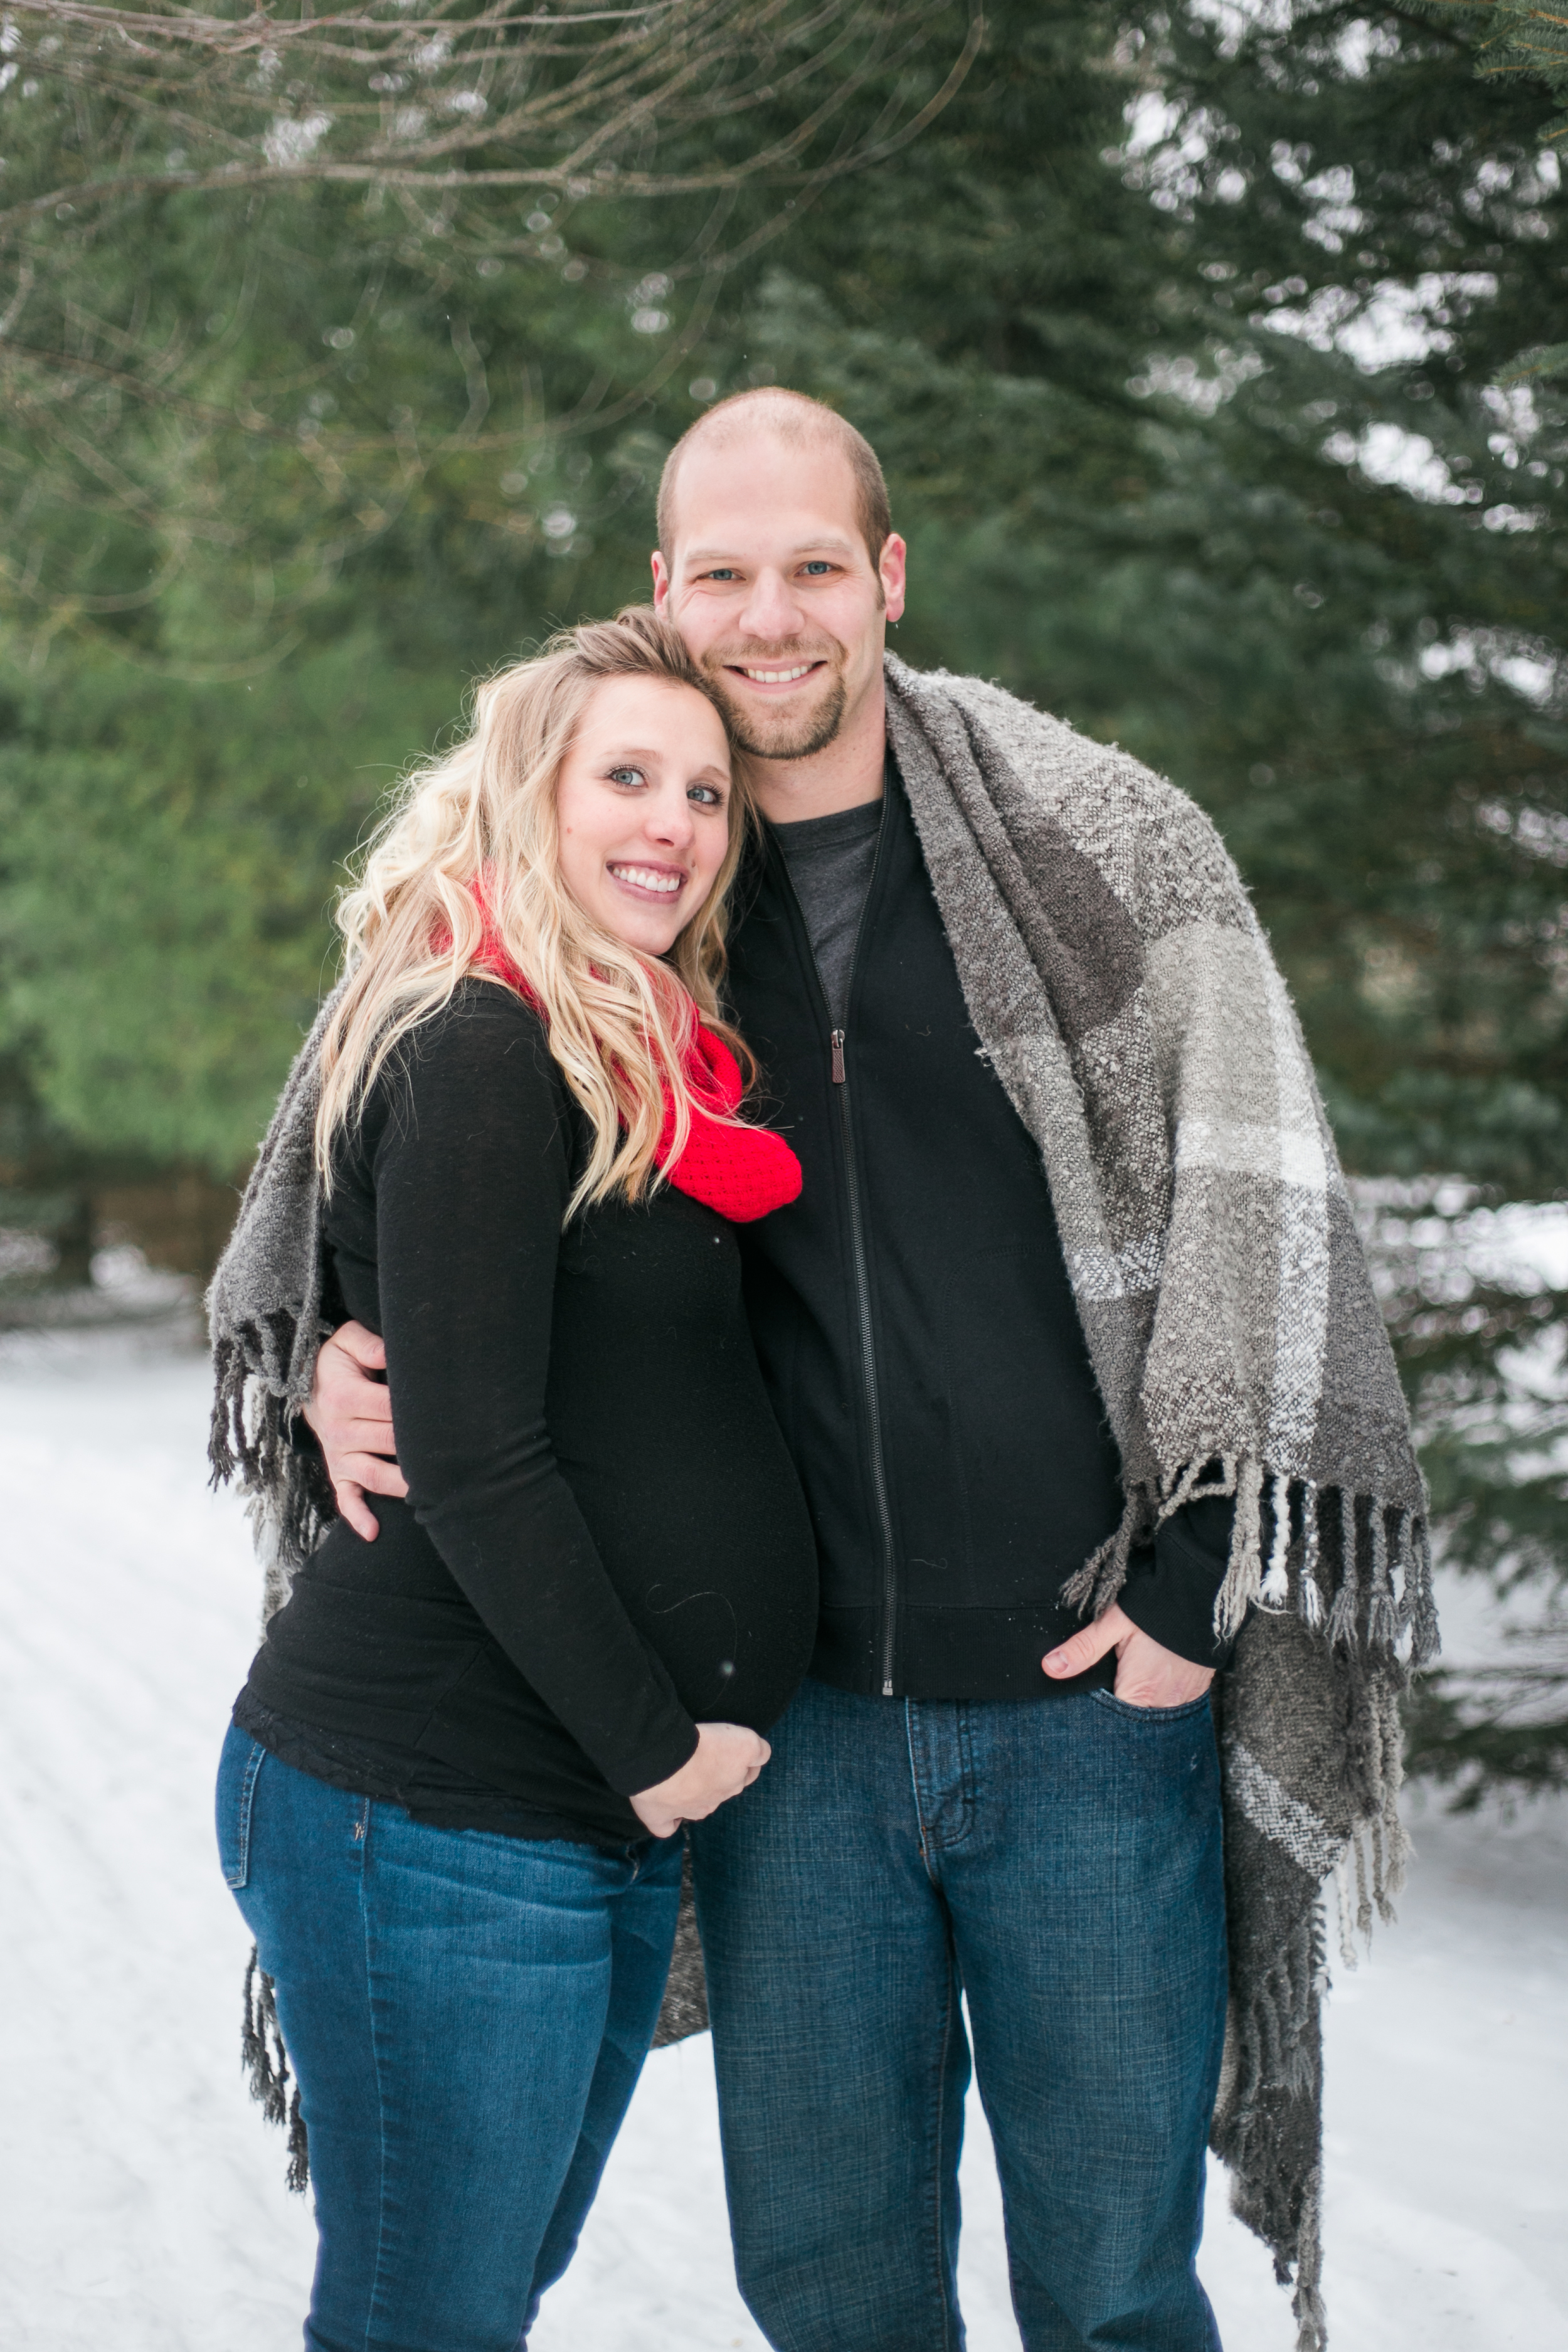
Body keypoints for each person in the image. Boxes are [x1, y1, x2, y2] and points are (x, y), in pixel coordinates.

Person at [283, 393, 1433, 2352]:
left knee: (1110, 2297)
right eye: (722, 573)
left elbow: (1261, 1215)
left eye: (815, 564)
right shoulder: (611, 889)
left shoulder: (1102, 850)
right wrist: (328, 1343)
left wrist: (1191, 1589)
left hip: (1086, 1705)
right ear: (664, 596)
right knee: (829, 2290)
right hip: (788, 1735)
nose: (772, 614)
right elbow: (392, 1110)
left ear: (885, 578)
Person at [209, 609, 818, 2352]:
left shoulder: (645, 1058)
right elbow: (476, 1455)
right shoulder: (483, 1042)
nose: (673, 825)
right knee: (433, 2314)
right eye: (624, 776)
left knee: (479, 2291)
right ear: (524, 794)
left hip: (565, 1813)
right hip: (437, 1804)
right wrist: (660, 1751)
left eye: (704, 793)